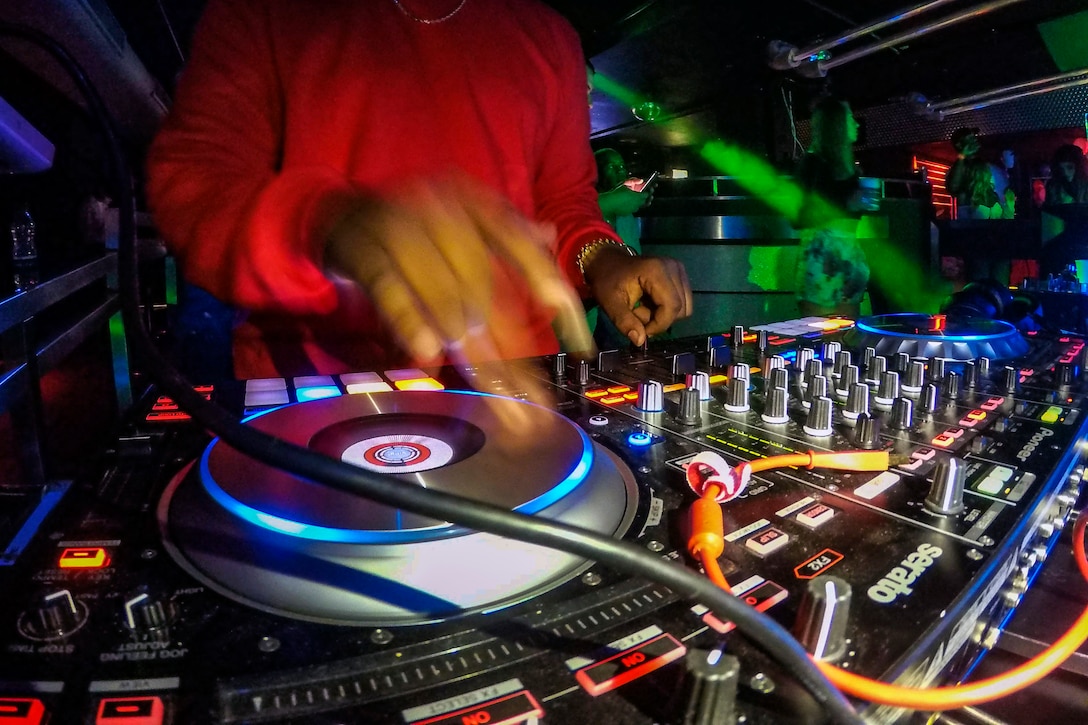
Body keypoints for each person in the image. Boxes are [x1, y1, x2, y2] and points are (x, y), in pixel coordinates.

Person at [146, 0, 692, 380]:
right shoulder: (264, 13)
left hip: (514, 379)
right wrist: (329, 222)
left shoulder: (549, 37)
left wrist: (607, 260)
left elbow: (563, 202)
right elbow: (194, 182)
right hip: (312, 383)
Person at [791, 96, 870, 319]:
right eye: (850, 118)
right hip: (824, 254)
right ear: (836, 124)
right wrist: (847, 203)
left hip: (849, 253)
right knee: (818, 333)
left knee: (849, 333)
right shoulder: (813, 164)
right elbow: (799, 217)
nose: (856, 123)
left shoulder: (850, 170)